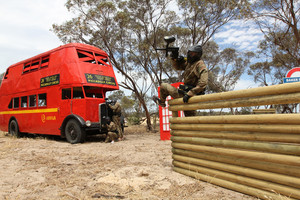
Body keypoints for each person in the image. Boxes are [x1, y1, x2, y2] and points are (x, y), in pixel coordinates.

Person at [153, 44, 208, 116]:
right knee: (190, 121)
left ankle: (162, 102)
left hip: (191, 96)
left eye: (192, 53)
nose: (190, 55)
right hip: (185, 94)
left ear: (198, 54)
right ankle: (162, 103)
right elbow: (178, 67)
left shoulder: (200, 65)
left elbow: (203, 83)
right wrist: (175, 59)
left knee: (164, 86)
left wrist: (190, 93)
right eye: (189, 53)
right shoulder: (189, 63)